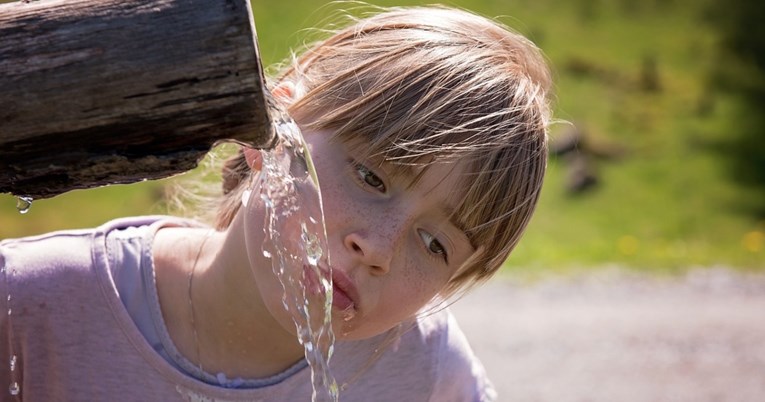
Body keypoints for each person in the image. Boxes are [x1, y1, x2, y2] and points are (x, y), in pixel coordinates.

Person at [0, 4, 551, 401]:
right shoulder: (32, 305)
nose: (377, 248)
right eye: (370, 177)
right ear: (275, 125)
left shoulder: (420, 368)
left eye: (434, 243)